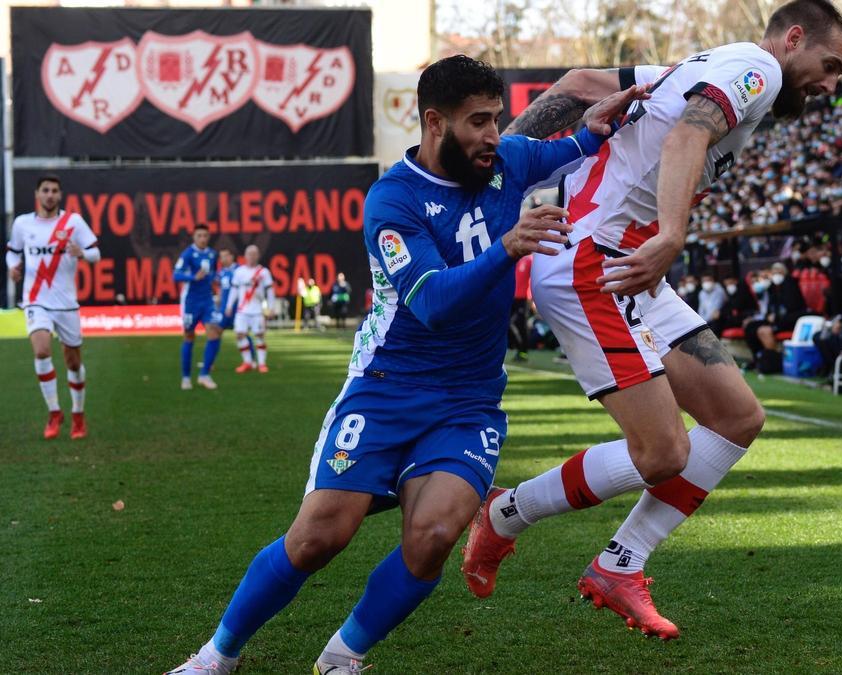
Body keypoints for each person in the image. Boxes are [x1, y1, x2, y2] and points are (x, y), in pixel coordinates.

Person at [167, 55, 640, 674]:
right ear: (434, 122)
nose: (494, 135)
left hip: (467, 401)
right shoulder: (393, 200)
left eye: (497, 119)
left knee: (434, 537)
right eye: (478, 122)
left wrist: (594, 127)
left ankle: (342, 656)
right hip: (385, 388)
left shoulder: (509, 162)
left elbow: (568, 148)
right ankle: (214, 658)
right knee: (318, 538)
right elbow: (433, 303)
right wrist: (508, 247)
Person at [461, 0, 842, 639]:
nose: (832, 85)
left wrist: (503, 162)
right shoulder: (759, 69)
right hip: (596, 261)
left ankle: (621, 563)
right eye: (830, 65)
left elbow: (583, 84)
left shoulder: (703, 65)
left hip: (628, 265)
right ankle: (507, 513)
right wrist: (673, 232)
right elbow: (685, 134)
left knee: (736, 418)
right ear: (792, 38)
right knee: (664, 451)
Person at [5, 174, 98, 440]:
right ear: (37, 194)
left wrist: (82, 253)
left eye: (54, 190)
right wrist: (12, 267)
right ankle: (54, 412)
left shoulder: (73, 222)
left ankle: (78, 415)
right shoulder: (23, 224)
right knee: (42, 350)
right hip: (36, 300)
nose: (49, 195)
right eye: (45, 190)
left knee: (73, 362)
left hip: (66, 304)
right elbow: (13, 250)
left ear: (60, 195)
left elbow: (95, 253)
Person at [173, 224, 221, 391]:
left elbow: (213, 274)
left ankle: (204, 374)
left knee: (214, 333)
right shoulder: (187, 254)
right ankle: (186, 377)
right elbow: (175, 275)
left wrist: (218, 280)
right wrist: (193, 277)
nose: (202, 238)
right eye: (199, 235)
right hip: (191, 302)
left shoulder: (212, 254)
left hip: (207, 300)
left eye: (205, 235)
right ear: (194, 237)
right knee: (189, 337)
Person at [226, 245, 275, 374]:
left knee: (259, 335)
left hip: (257, 310)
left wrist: (271, 308)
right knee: (239, 335)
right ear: (245, 256)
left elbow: (270, 291)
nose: (252, 256)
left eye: (254, 254)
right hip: (242, 310)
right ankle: (247, 362)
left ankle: (262, 364)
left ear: (258, 256)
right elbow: (234, 290)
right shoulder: (239, 272)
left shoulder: (264, 272)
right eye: (249, 254)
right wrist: (229, 305)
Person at [510, 254, 532, 361]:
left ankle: (523, 352)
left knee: (520, 324)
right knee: (509, 324)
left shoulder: (530, 259)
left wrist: (532, 300)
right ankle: (519, 348)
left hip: (523, 299)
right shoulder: (516, 259)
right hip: (511, 298)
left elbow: (532, 280)